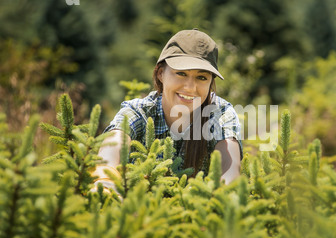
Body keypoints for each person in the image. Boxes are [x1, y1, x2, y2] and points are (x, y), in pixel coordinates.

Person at [90, 29, 243, 200]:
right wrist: (105, 182)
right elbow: (113, 145)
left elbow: (229, 173)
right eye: (181, 73)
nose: (190, 87)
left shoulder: (221, 114)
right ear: (160, 73)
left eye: (201, 77)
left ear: (210, 82)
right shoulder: (138, 111)